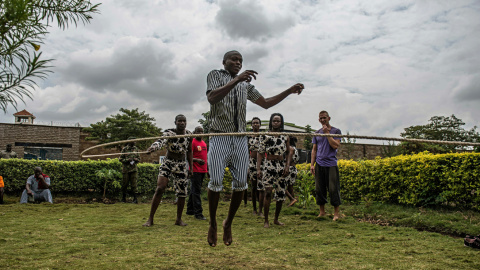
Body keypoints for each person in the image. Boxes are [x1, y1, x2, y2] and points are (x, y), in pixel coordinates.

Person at [206, 50, 304, 246]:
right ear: (224, 61)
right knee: (215, 181)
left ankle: (228, 223)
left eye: (240, 60)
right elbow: (212, 98)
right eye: (234, 59)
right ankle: (213, 223)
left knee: (241, 183)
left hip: (240, 137)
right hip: (218, 135)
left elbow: (266, 103)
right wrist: (236, 80)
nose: (238, 62)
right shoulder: (215, 75)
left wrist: (289, 91)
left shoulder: (245, 86)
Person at [143, 115, 193, 227]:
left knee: (182, 193)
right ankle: (150, 219)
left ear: (186, 123)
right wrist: (153, 148)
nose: (182, 123)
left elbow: (189, 151)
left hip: (181, 164)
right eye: (179, 121)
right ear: (175, 122)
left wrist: (191, 167)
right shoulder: (169, 133)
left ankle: (178, 219)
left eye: (184, 121)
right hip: (168, 162)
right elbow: (160, 141)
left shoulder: (189, 135)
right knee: (160, 188)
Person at [257, 113, 290, 228]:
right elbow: (260, 153)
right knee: (267, 192)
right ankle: (266, 220)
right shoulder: (265, 135)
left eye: (278, 121)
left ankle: (276, 219)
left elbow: (288, 153)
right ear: (271, 122)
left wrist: (287, 166)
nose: (276, 123)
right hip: (269, 165)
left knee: (280, 193)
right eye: (274, 121)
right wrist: (258, 169)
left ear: (281, 122)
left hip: (281, 165)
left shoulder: (285, 135)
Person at [310, 111, 342, 221]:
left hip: (331, 164)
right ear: (319, 120)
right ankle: (322, 212)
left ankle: (336, 213)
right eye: (321, 118)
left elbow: (335, 145)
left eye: (324, 118)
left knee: (333, 188)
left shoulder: (336, 131)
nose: (323, 120)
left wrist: (327, 133)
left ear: (329, 118)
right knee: (319, 189)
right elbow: (314, 150)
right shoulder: (316, 133)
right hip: (319, 164)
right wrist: (312, 164)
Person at [186, 126, 208, 220]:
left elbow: (205, 157)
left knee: (194, 190)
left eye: (201, 131)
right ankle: (198, 213)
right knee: (196, 191)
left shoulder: (204, 143)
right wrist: (197, 160)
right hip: (195, 170)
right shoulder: (192, 142)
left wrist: (207, 169)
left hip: (203, 170)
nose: (200, 133)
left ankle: (190, 210)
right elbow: (188, 156)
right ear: (194, 132)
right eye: (198, 131)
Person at [247, 117, 262, 215]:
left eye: (257, 123)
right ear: (251, 125)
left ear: (260, 125)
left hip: (262, 162)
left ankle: (261, 209)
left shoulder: (263, 136)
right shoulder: (248, 136)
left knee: (261, 186)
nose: (255, 124)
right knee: (253, 186)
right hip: (251, 162)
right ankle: (254, 209)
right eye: (253, 123)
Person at [119, 139, 140, 203]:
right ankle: (123, 198)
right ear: (130, 141)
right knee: (125, 184)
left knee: (134, 185)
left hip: (134, 169)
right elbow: (120, 159)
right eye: (134, 141)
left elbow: (139, 158)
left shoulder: (136, 149)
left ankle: (135, 199)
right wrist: (127, 160)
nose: (135, 142)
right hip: (126, 170)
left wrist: (136, 159)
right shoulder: (125, 149)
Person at [285, 136, 299, 207]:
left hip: (289, 168)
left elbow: (289, 159)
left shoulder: (290, 148)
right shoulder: (295, 149)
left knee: (281, 185)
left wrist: (285, 166)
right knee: (290, 187)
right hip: (293, 168)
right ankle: (292, 202)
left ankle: (291, 199)